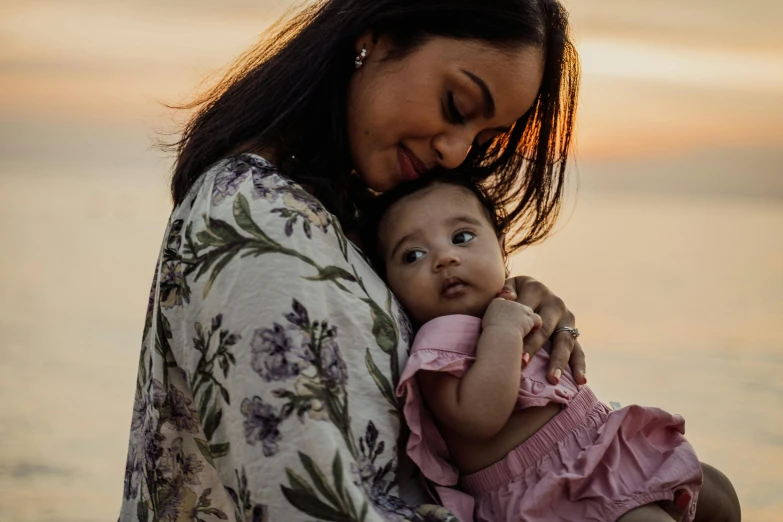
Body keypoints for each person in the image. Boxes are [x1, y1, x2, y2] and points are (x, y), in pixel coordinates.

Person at [117, 1, 715, 520]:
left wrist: (506, 311)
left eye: (483, 138)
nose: (456, 152)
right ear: (375, 37)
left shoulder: (339, 215)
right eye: (457, 104)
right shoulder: (253, 218)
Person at [360, 171, 741, 522]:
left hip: (602, 445)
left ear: (501, 247)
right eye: (413, 255)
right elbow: (478, 418)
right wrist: (502, 331)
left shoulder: (518, 302)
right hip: (547, 488)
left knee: (719, 492)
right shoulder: (437, 341)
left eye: (461, 237)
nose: (445, 258)